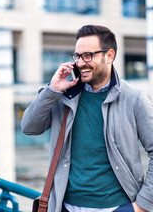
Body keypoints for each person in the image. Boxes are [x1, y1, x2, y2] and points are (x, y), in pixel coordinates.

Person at [21, 25, 153, 212]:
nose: (81, 62)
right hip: (65, 206)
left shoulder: (134, 98)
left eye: (88, 55)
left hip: (117, 206)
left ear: (109, 56)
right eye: (77, 56)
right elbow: (29, 127)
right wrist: (53, 89)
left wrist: (141, 206)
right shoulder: (64, 96)